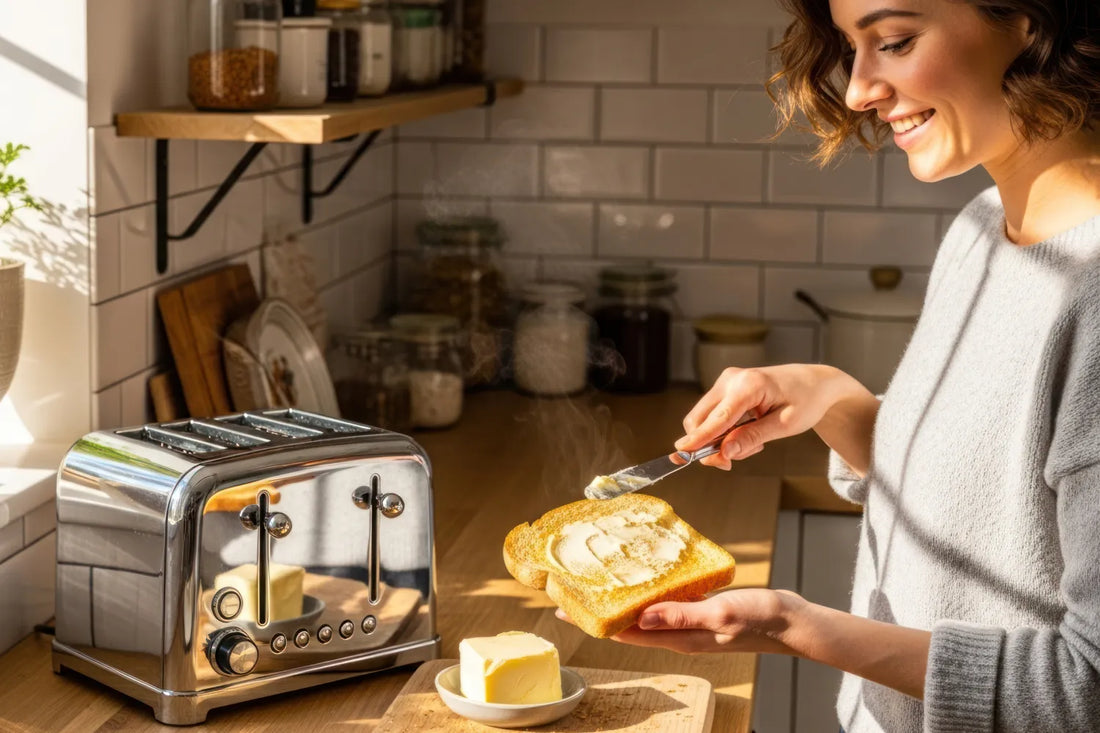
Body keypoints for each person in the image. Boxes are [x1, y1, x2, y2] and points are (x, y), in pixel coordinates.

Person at [556, 1, 1100, 730]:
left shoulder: (1089, 298)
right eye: (853, 48)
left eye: (896, 41)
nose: (858, 89)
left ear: (1035, 20)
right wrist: (828, 397)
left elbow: (1086, 684)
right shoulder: (981, 229)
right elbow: (982, 503)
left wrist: (795, 628)